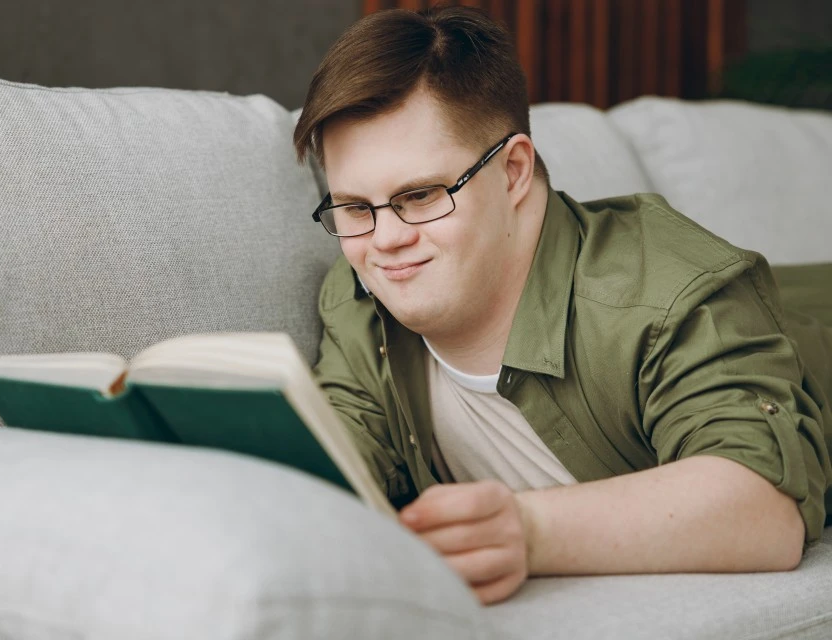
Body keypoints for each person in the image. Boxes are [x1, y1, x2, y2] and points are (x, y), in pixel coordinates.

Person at [292, 6, 832, 604]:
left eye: (419, 196)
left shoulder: (668, 292)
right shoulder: (359, 297)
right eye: (354, 208)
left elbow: (764, 506)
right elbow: (334, 458)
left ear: (514, 171)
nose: (385, 240)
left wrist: (529, 529)